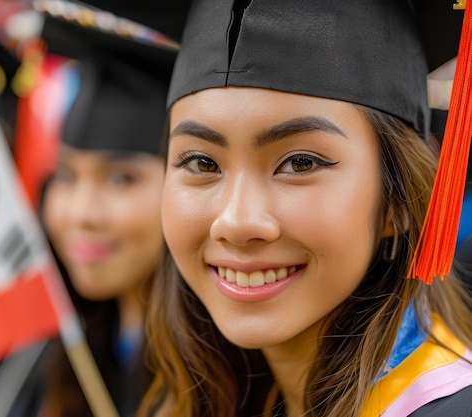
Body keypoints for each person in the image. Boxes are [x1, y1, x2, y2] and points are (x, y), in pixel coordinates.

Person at [63, 1, 472, 416]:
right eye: (202, 163)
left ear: (398, 200)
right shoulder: (228, 396)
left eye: (300, 163)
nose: (237, 222)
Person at [32, 8, 176, 417]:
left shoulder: (226, 385)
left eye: (121, 180)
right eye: (65, 176)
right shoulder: (63, 352)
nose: (81, 214)